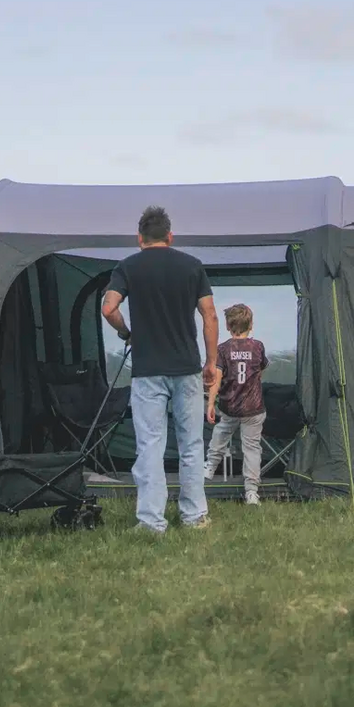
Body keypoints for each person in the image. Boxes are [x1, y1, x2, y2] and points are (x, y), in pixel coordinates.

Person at [101, 206, 219, 533]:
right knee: (192, 444)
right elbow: (210, 316)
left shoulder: (127, 267)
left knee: (150, 445)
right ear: (170, 236)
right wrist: (211, 362)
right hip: (186, 368)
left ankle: (152, 521)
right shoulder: (192, 266)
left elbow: (108, 308)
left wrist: (126, 332)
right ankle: (194, 517)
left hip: (147, 370)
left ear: (139, 239)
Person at [204, 303, 268, 505]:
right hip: (254, 408)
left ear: (228, 326)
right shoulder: (257, 346)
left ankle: (208, 469)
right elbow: (260, 369)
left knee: (220, 435)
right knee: (251, 448)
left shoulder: (223, 349)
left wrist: (211, 403)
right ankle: (251, 491)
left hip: (230, 407)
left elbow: (216, 378)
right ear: (251, 325)